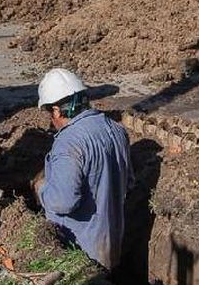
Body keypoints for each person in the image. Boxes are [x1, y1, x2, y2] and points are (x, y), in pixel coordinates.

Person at [32, 69, 133, 269]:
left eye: (50, 115)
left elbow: (63, 202)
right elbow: (128, 181)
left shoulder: (68, 144)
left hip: (82, 247)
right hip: (112, 239)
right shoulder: (115, 128)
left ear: (56, 111)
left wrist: (41, 189)